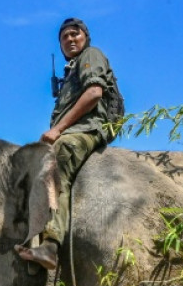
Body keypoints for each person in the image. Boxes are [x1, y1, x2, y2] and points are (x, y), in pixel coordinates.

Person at [16, 18, 124, 270]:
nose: (70, 39)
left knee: (58, 155)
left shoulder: (91, 55)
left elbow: (94, 93)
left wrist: (58, 129)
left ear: (86, 37)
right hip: (76, 128)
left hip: (88, 128)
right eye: (64, 37)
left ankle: (50, 244)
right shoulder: (70, 71)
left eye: (75, 34)